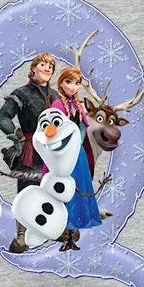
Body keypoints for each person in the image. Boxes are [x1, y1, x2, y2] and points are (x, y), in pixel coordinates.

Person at [0, 53, 56, 252]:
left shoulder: (56, 96)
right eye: (43, 64)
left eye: (51, 67)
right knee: (27, 194)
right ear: (33, 68)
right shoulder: (21, 94)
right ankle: (22, 236)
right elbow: (2, 118)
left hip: (53, 153)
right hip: (30, 150)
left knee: (53, 191)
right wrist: (17, 136)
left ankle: (55, 229)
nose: (47, 69)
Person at [43, 66, 102, 250]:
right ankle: (64, 235)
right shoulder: (56, 106)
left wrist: (78, 143)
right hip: (63, 155)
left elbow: (82, 128)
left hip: (78, 155)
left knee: (77, 192)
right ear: (61, 83)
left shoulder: (77, 106)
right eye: (69, 82)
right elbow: (52, 131)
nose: (73, 87)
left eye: (77, 83)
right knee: (63, 192)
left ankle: (72, 236)